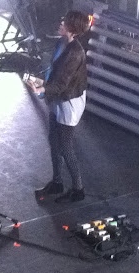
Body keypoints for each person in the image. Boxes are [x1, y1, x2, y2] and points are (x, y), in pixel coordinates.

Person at [27, 11, 91, 203]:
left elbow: (63, 84)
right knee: (53, 141)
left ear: (72, 28)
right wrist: (42, 83)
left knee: (65, 146)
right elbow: (55, 74)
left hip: (69, 102)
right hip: (58, 97)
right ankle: (57, 182)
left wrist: (41, 89)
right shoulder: (62, 44)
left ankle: (78, 189)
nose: (61, 23)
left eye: (64, 22)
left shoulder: (75, 52)